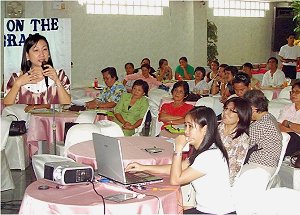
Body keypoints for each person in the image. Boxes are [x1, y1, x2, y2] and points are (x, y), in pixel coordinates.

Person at [126, 106, 234, 214]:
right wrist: (142, 168)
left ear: (204, 129)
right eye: (185, 125)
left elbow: (175, 180)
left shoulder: (210, 156)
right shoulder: (205, 150)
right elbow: (175, 168)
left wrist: (178, 149)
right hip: (206, 210)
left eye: (190, 126)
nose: (186, 131)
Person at [4, 33, 71, 110]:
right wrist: (17, 84)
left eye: (45, 49)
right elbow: (7, 106)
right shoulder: (16, 77)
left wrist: (57, 81)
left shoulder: (60, 75)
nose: (42, 54)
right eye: (36, 50)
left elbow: (66, 104)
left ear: (49, 54)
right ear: (27, 55)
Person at [243, 90, 282, 177]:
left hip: (259, 166)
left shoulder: (261, 124)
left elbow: (242, 145)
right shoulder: (269, 117)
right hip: (265, 164)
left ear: (252, 108)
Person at [219, 97, 251, 185]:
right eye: (225, 109)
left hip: (222, 177)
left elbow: (234, 168)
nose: (225, 113)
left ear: (241, 116)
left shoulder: (242, 139)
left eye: (232, 111)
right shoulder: (215, 128)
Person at [278, 81, 300, 156]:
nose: (293, 94)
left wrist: (288, 123)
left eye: (297, 92)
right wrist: (293, 130)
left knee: (294, 138)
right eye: (292, 92)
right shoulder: (286, 108)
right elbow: (279, 126)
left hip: (297, 141)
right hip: (285, 137)